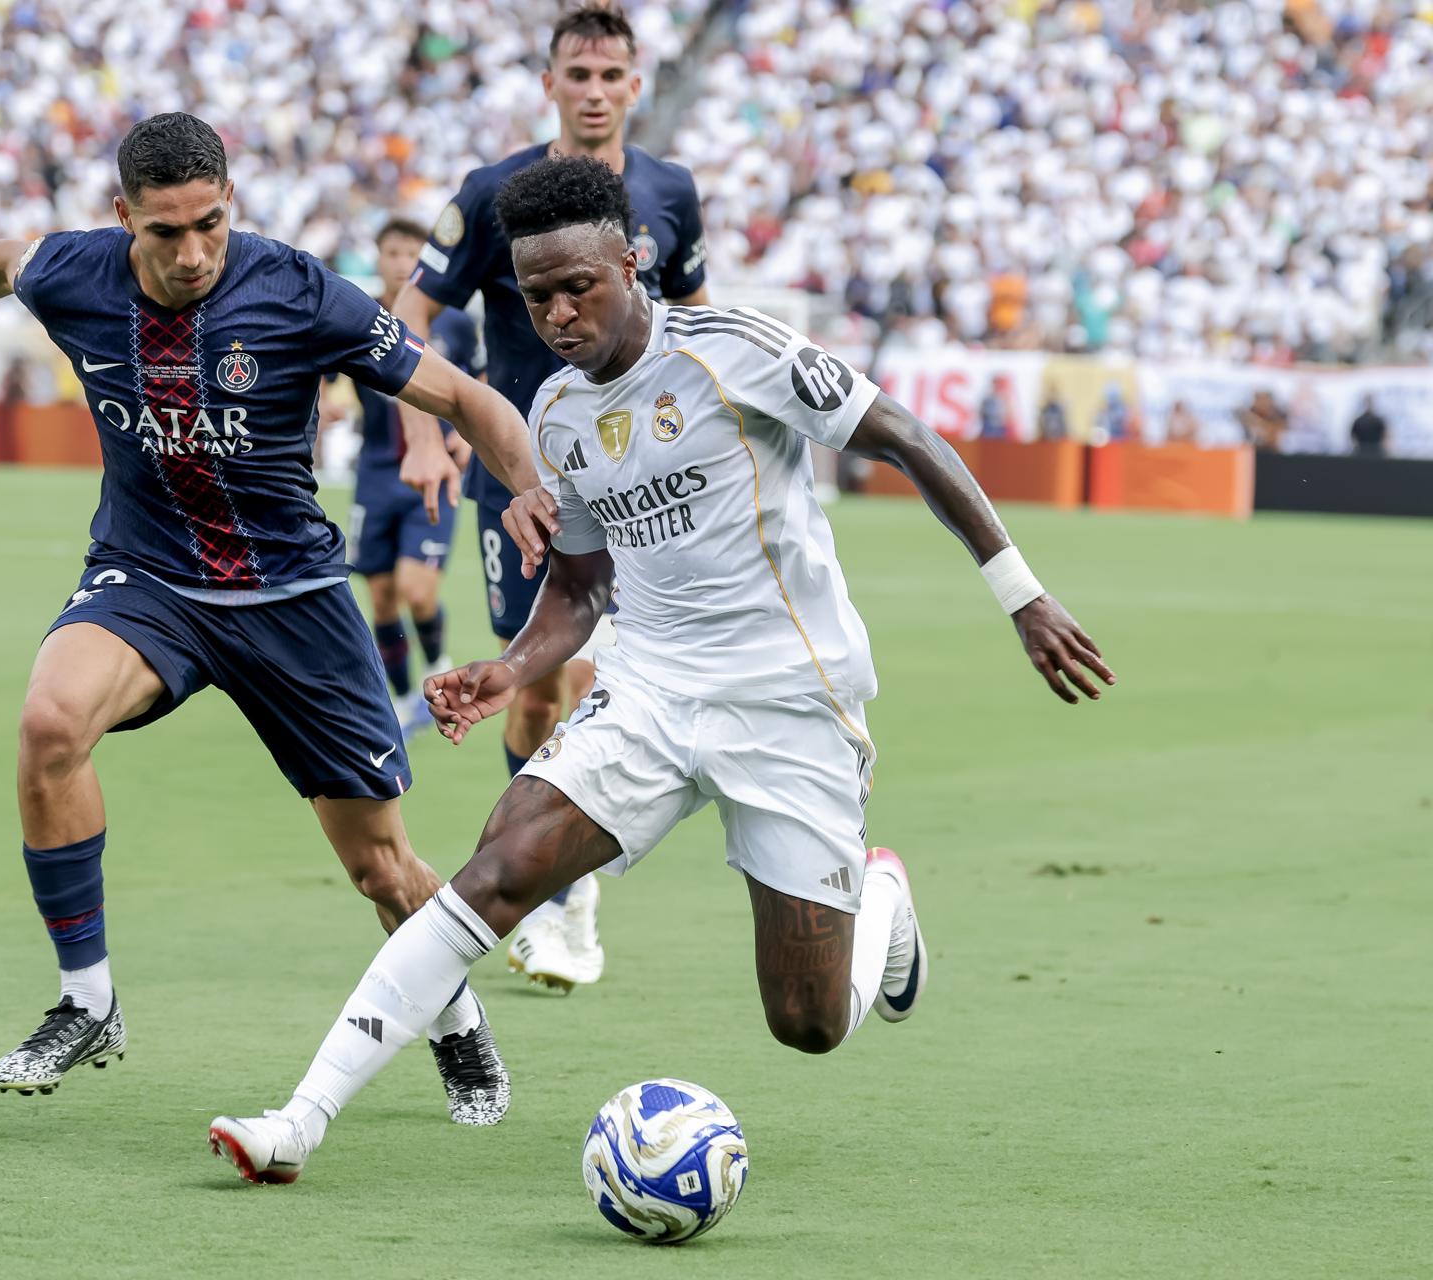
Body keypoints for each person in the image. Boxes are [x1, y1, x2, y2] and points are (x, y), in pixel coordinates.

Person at [207, 155, 1115, 1185]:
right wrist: (512, 668)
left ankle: (881, 899)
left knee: (808, 1022)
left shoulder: (738, 352)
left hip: (788, 699)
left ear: (631, 263)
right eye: (535, 294)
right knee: (498, 865)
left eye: (576, 286)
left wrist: (1023, 594)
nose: (555, 312)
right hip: (648, 689)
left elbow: (905, 437)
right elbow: (584, 584)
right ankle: (300, 1117)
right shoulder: (555, 414)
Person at [0, 112, 553, 1125]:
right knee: (48, 725)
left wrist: (522, 487)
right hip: (150, 579)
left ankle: (457, 1015)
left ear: (232, 204)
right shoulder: (74, 274)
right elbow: (2, 258)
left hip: (293, 599)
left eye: (209, 223)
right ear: (123, 216)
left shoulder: (298, 291)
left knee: (379, 865)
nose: (192, 251)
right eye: (165, 231)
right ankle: (89, 1000)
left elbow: (472, 400)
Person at [391, 0, 710, 994]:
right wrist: (423, 428)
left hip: (642, 476)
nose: (598, 93)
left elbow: (698, 324)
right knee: (531, 684)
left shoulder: (671, 193)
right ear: (551, 84)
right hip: (524, 480)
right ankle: (557, 860)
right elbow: (410, 310)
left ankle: (565, 888)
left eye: (615, 76)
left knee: (585, 678)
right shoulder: (495, 192)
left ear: (637, 83)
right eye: (580, 76)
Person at [333, 219, 480, 735]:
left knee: (418, 591)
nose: (400, 262)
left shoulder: (454, 323)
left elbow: (478, 382)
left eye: (409, 252)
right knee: (382, 597)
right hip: (374, 475)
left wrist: (465, 436)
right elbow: (323, 377)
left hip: (433, 474)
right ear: (378, 257)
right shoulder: (354, 317)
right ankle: (398, 697)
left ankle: (439, 668)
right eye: (391, 252)